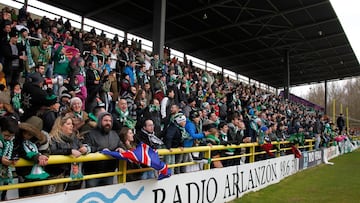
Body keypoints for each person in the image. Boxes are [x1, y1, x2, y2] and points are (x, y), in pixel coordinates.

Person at [82, 112, 125, 188]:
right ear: (100, 121)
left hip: (109, 172)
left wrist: (120, 148)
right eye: (105, 120)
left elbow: (120, 145)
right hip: (93, 173)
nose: (108, 123)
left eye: (110, 121)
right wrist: (101, 150)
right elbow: (87, 148)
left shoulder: (114, 134)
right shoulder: (90, 134)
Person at [47, 115, 89, 192]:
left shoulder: (75, 138)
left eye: (72, 124)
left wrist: (85, 149)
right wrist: (69, 151)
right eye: (68, 124)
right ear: (60, 126)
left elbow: (82, 148)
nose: (71, 126)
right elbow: (52, 152)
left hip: (75, 176)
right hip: (58, 176)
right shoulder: (53, 138)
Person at [15, 117, 49, 198]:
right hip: (24, 175)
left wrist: (44, 156)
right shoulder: (17, 140)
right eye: (25, 132)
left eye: (30, 134)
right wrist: (37, 157)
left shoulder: (36, 142)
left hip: (38, 173)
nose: (26, 135)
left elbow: (46, 151)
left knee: (38, 196)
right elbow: (22, 152)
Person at [0, 116, 19, 201]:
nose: (8, 138)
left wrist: (13, 159)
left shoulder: (11, 142)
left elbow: (15, 152)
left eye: (11, 136)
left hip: (4, 175)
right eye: (6, 135)